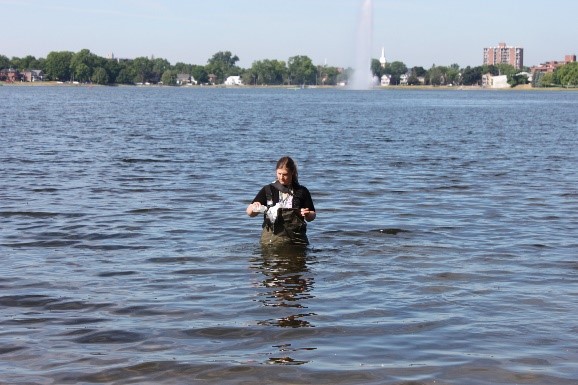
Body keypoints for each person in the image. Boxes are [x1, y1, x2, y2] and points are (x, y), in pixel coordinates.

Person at [246, 156, 316, 245]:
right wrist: (254, 208)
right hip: (271, 242)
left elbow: (312, 216)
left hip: (296, 241)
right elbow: (249, 213)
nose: (281, 177)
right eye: (279, 174)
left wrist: (307, 214)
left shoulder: (302, 191)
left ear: (292, 172)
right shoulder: (268, 189)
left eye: (285, 174)